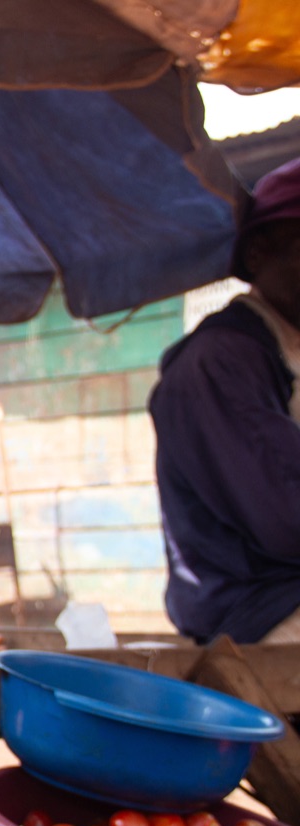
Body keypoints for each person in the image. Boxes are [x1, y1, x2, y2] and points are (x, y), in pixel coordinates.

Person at [152, 155, 300, 644]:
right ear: (258, 255)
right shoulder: (220, 364)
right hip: (258, 614)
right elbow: (286, 523)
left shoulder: (285, 350)